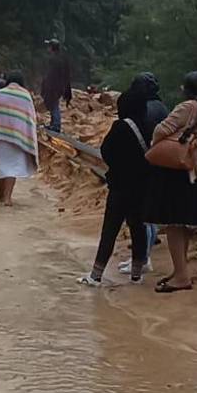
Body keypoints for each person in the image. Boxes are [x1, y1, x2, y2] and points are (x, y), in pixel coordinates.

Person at [145, 72, 197, 293]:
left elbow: (161, 129)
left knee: (174, 223)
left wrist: (158, 147)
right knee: (185, 223)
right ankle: (180, 270)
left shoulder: (187, 108)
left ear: (184, 89)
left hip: (182, 172)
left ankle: (181, 276)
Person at [78, 90, 154, 286]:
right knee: (138, 228)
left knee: (110, 230)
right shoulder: (149, 126)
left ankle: (96, 275)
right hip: (142, 186)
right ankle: (137, 274)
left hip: (121, 185)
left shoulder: (120, 126)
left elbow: (106, 151)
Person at [116, 73, 170, 277]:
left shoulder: (145, 109)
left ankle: (143, 259)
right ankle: (143, 257)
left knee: (141, 217)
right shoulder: (162, 107)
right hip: (159, 164)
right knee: (149, 216)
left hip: (144, 165)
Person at [0, 71, 39, 205]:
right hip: (18, 136)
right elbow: (30, 117)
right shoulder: (25, 96)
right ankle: (7, 197)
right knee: (11, 166)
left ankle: (2, 196)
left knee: (1, 165)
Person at [41, 39, 72, 132]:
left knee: (54, 104)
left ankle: (56, 125)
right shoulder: (61, 58)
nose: (47, 48)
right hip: (59, 87)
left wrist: (46, 86)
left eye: (49, 46)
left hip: (54, 87)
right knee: (53, 104)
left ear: (52, 48)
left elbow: (51, 75)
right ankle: (53, 123)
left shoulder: (54, 59)